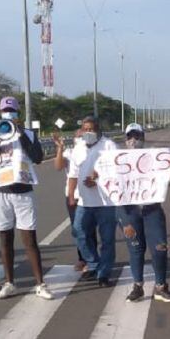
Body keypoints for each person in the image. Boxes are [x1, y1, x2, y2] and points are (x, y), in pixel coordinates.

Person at [0, 96, 53, 300]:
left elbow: (38, 158)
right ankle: (9, 282)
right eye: (5, 111)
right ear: (0, 113)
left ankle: (40, 284)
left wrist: (21, 135)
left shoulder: (28, 134)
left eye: (12, 111)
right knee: (5, 239)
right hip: (1, 193)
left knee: (29, 239)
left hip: (23, 192)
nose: (8, 115)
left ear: (18, 114)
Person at [113, 123, 170, 302]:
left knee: (160, 248)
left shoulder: (154, 157)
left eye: (138, 136)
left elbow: (168, 182)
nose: (134, 140)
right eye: (130, 136)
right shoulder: (116, 159)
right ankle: (138, 286)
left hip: (152, 209)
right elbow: (106, 181)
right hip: (128, 211)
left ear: (143, 138)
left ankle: (161, 286)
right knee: (135, 248)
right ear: (125, 139)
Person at [67, 116, 119, 287]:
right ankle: (94, 263)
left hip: (106, 202)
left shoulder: (109, 145)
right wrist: (71, 195)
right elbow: (73, 174)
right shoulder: (78, 148)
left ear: (98, 130)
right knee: (78, 231)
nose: (88, 132)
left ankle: (104, 273)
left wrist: (97, 179)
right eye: (85, 129)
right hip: (84, 201)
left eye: (91, 129)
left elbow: (117, 172)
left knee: (107, 240)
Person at [52, 128, 86, 271]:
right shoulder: (69, 153)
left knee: (88, 229)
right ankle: (83, 259)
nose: (79, 138)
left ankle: (92, 258)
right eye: (77, 136)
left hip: (90, 196)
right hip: (73, 196)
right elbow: (58, 166)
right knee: (77, 229)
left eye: (82, 136)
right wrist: (60, 149)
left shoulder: (93, 151)